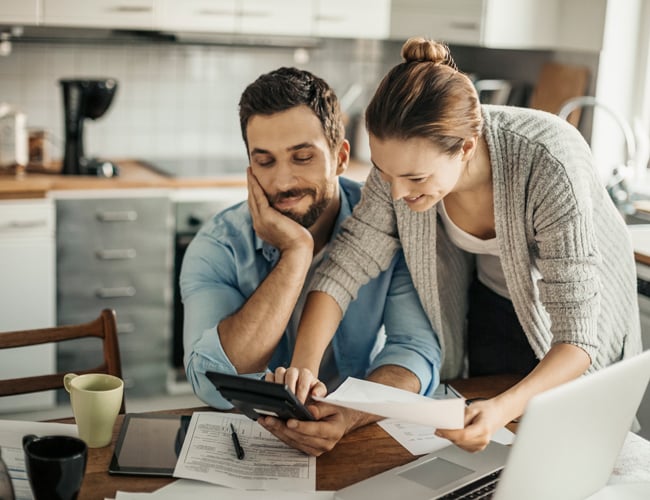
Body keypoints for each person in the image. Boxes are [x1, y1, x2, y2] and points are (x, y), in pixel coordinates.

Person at [286, 37, 643, 452]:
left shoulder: (548, 160)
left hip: (576, 328)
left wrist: (500, 409)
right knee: (496, 456)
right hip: (493, 306)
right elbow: (346, 266)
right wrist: (304, 370)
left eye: (416, 179)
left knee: (571, 447)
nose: (397, 193)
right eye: (385, 173)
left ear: (467, 148)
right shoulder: (400, 169)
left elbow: (577, 339)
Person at [180, 66, 440, 456]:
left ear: (340, 157)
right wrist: (296, 254)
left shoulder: (390, 227)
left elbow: (414, 352)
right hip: (256, 443)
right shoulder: (218, 246)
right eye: (265, 162)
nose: (284, 182)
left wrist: (350, 413)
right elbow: (210, 381)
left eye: (302, 157)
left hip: (358, 431)